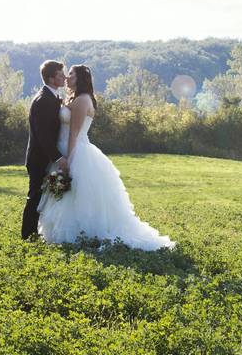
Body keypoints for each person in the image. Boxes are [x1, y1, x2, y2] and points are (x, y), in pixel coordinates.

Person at [37, 64, 175, 251]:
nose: (67, 77)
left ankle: (81, 233)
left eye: (71, 74)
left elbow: (74, 134)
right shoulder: (73, 98)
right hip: (64, 150)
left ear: (80, 78)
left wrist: (67, 161)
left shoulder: (82, 100)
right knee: (64, 194)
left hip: (76, 151)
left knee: (75, 193)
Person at [21, 60, 67, 240]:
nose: (63, 77)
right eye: (60, 74)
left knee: (44, 196)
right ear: (51, 78)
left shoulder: (53, 96)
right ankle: (27, 235)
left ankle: (38, 232)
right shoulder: (42, 100)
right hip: (38, 158)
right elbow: (42, 135)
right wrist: (57, 157)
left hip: (46, 157)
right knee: (35, 196)